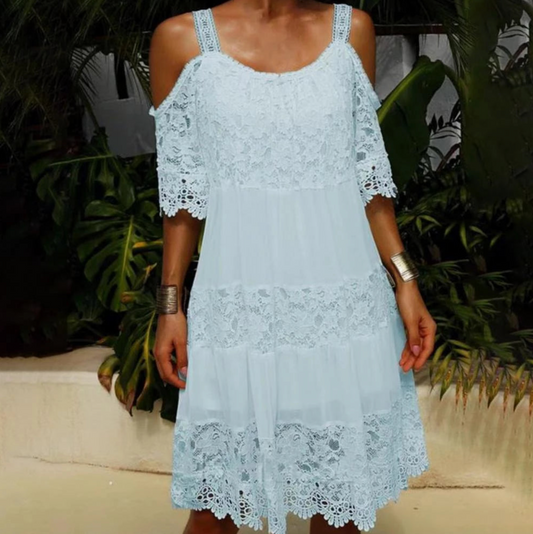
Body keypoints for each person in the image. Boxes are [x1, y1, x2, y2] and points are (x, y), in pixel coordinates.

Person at [148, 1, 436, 533]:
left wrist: (405, 280)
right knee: (214, 509)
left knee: (339, 506)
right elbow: (182, 200)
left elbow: (368, 176)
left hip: (341, 312)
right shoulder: (180, 41)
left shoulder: (351, 31)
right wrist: (170, 306)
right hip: (237, 312)